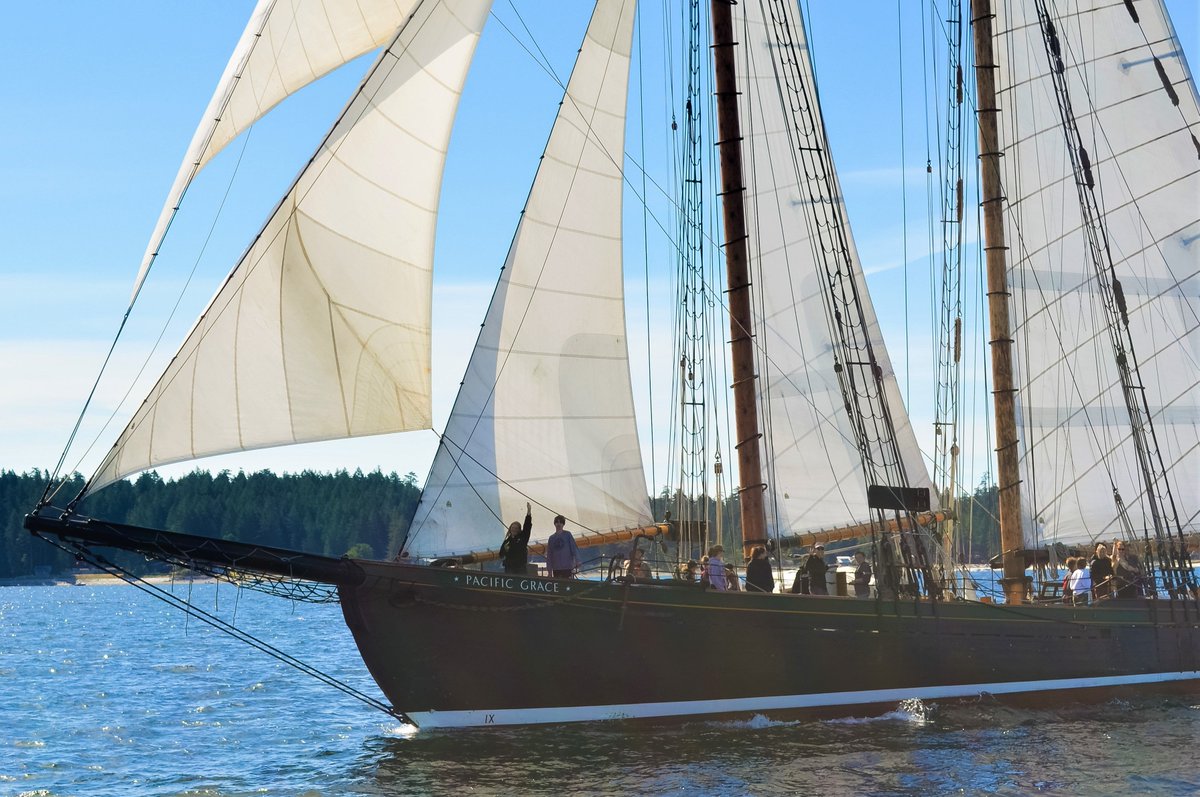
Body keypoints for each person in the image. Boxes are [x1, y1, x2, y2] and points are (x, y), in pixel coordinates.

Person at [498, 502, 532, 575]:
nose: (514, 529)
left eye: (516, 528)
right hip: (509, 568)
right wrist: (504, 551)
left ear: (519, 530)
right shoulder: (507, 541)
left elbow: (527, 527)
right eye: (513, 528)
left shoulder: (523, 538)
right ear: (510, 529)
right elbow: (501, 554)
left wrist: (528, 513)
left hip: (520, 568)